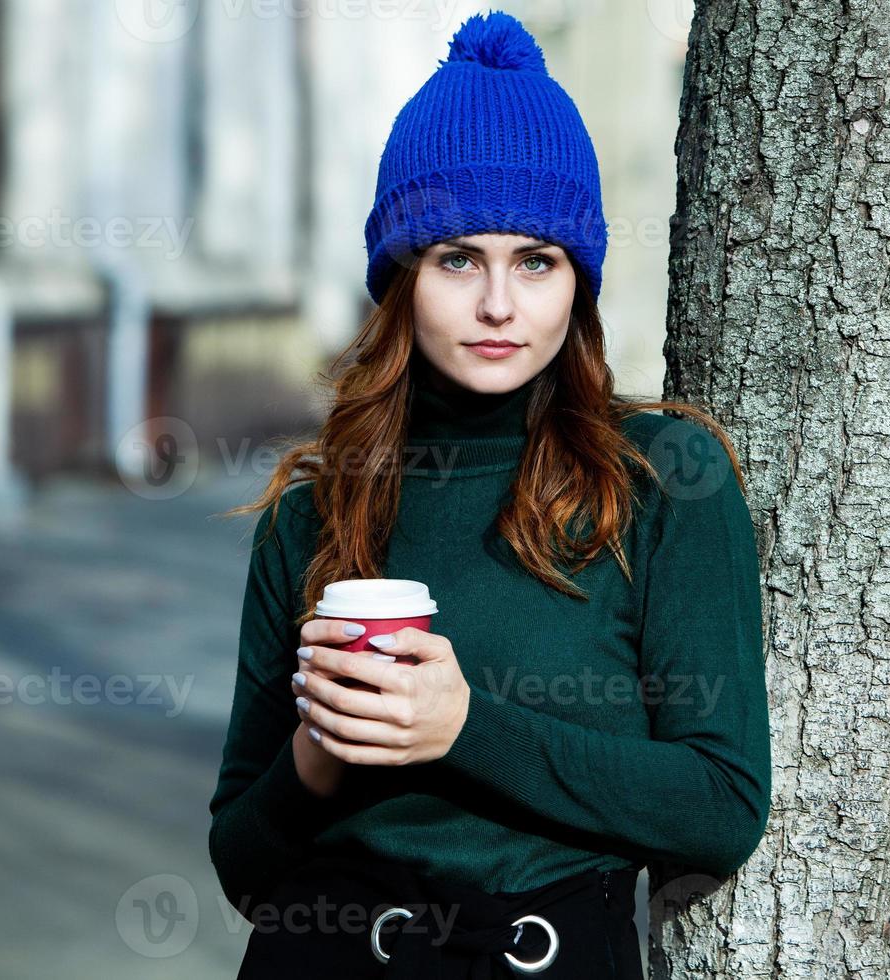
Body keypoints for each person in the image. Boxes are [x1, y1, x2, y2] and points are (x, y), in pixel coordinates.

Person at [208, 10, 771, 978]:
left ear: (576, 281)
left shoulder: (664, 480)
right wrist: (314, 760)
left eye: (537, 261)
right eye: (459, 258)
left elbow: (719, 802)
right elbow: (242, 862)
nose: (500, 304)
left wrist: (465, 725)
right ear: (402, 276)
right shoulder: (313, 512)